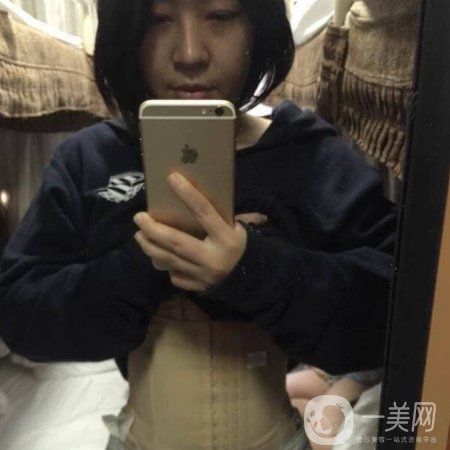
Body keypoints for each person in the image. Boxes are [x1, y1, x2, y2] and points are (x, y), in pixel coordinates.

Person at [0, 0, 397, 449]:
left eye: (221, 15)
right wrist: (145, 263)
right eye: (158, 19)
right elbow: (19, 314)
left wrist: (255, 267)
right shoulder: (89, 159)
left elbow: (398, 309)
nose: (190, 53)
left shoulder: (309, 153)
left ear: (257, 27)